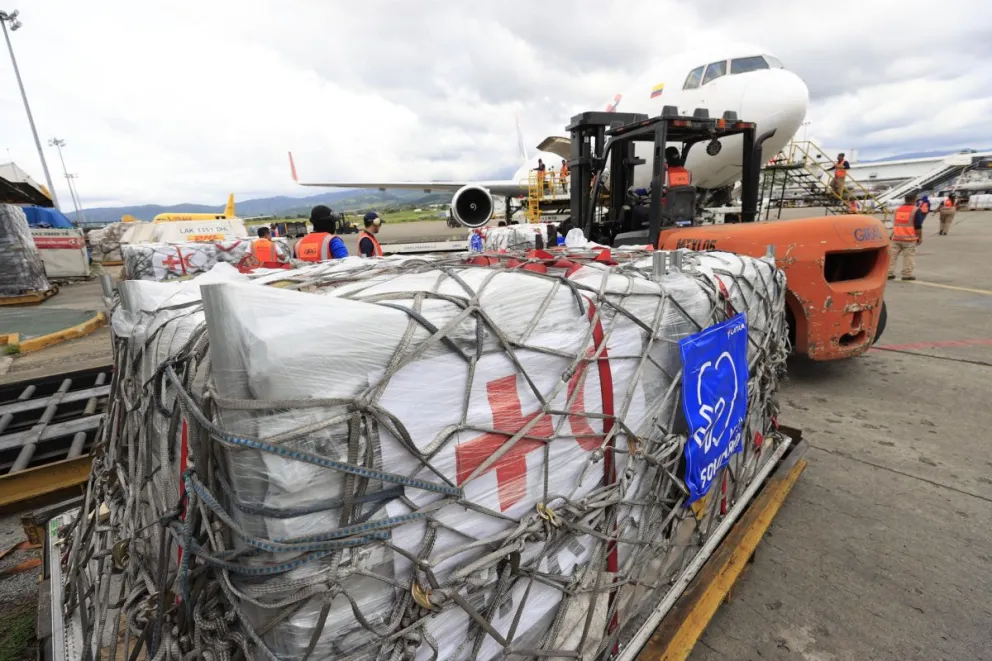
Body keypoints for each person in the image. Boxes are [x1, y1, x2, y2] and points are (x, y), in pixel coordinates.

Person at [887, 193, 922, 281]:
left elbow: (896, 223)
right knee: (908, 257)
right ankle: (907, 275)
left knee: (892, 256)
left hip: (896, 237)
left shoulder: (897, 210)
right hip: (909, 239)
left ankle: (889, 273)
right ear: (915, 200)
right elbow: (918, 226)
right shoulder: (916, 210)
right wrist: (920, 237)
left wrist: (891, 235)